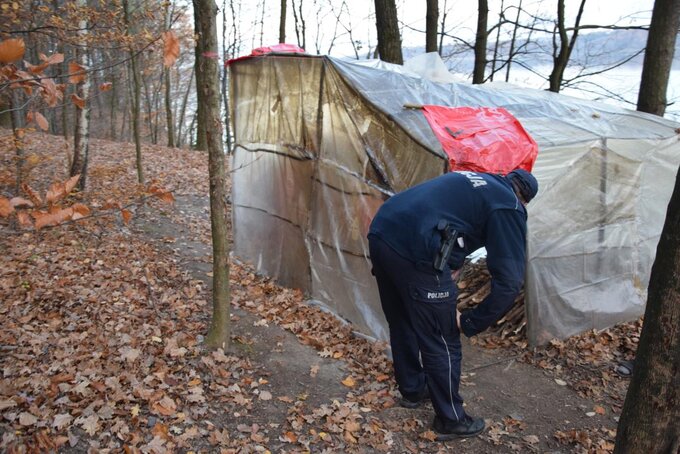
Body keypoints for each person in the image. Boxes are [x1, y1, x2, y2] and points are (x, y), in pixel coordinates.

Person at [367, 168, 538, 441]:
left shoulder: (475, 179)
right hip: (416, 249)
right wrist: (471, 321)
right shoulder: (509, 206)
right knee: (442, 336)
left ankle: (413, 389)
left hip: (382, 232)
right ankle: (451, 420)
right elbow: (509, 282)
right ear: (525, 200)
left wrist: (454, 261)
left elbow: (452, 215)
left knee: (403, 320)